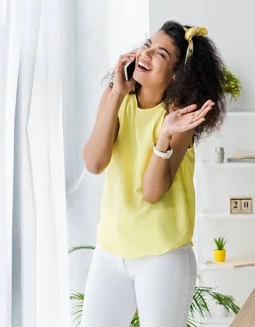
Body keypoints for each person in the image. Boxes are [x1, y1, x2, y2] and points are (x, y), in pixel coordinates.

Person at [81, 21, 226, 326]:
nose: (145, 54)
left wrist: (163, 137)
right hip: (110, 250)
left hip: (163, 256)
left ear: (176, 74)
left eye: (160, 54)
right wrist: (117, 95)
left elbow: (152, 192)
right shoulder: (116, 96)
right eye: (147, 45)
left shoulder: (179, 117)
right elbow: (94, 163)